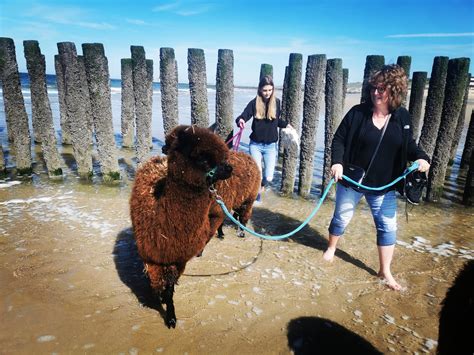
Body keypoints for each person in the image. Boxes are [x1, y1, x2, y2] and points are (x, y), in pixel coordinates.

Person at [322, 64, 430, 291]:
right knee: (341, 218)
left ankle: (384, 271)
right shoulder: (357, 113)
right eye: (374, 88)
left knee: (387, 226)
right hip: (353, 181)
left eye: (382, 89)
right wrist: (337, 162)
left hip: (384, 185)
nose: (376, 93)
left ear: (395, 90)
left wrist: (421, 157)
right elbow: (338, 139)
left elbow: (409, 145)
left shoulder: (402, 117)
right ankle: (331, 248)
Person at [236, 75, 290, 200]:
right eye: (265, 90)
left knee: (269, 177)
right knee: (258, 174)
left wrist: (287, 125)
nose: (267, 93)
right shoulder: (254, 103)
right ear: (260, 89)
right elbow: (243, 116)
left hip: (271, 146)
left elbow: (276, 121)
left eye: (270, 90)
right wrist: (241, 121)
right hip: (255, 145)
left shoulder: (276, 103)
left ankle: (261, 186)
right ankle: (257, 195)